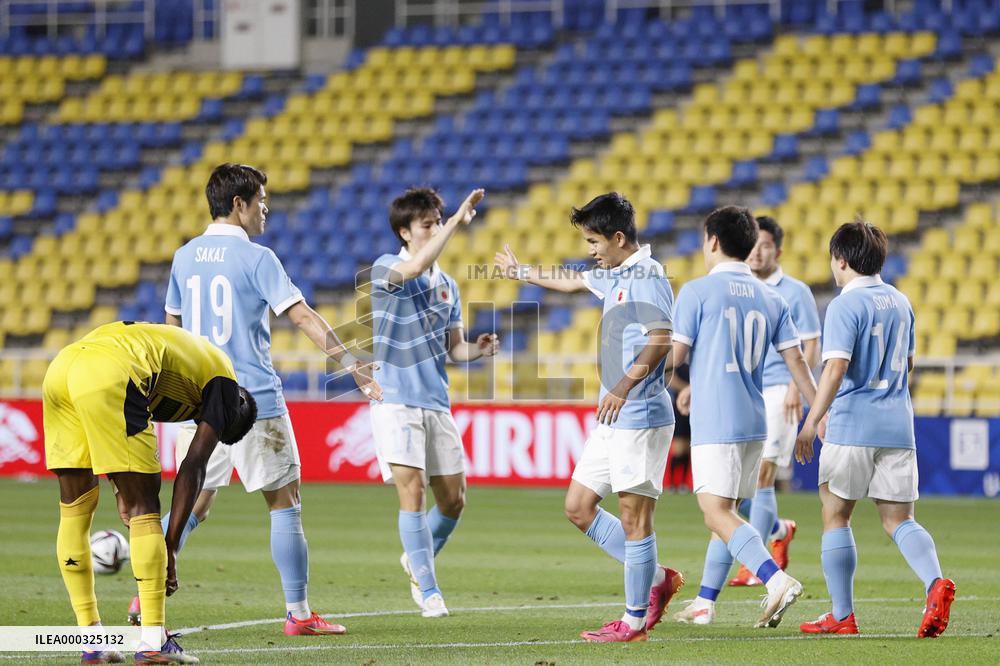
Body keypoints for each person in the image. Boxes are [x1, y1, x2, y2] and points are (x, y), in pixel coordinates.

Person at [141, 163, 380, 636]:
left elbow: (171, 328)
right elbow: (302, 316)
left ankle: (145, 590)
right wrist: (351, 363)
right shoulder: (257, 258)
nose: (265, 211)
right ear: (238, 205)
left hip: (195, 400)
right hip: (251, 400)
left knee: (196, 500)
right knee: (283, 500)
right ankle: (299, 614)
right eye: (261, 202)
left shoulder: (183, 256)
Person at [495, 192, 683, 643]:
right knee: (578, 507)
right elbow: (571, 281)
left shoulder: (649, 275)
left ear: (618, 237)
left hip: (639, 413)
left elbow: (661, 339)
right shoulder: (615, 272)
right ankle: (657, 578)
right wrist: (520, 272)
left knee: (636, 519)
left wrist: (621, 387)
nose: (590, 250)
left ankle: (634, 621)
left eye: (594, 241)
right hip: (613, 418)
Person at [43, 321, 257, 664]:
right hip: (111, 369)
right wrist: (169, 547)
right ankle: (153, 642)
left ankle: (93, 642)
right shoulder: (229, 389)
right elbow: (194, 465)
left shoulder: (187, 372)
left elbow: (110, 423)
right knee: (145, 508)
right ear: (238, 410)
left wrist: (118, 488)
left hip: (63, 368)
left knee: (75, 509)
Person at [794, 220, 955, 637]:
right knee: (899, 520)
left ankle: (842, 616)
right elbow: (910, 365)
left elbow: (836, 368)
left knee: (836, 516)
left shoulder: (845, 304)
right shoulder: (902, 302)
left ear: (841, 260)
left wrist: (812, 422)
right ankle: (935, 583)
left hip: (852, 424)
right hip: (899, 426)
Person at [669, 206, 817, 628]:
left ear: (712, 241)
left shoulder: (697, 292)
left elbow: (673, 360)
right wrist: (819, 414)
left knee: (715, 511)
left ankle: (774, 578)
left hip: (717, 419)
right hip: (755, 418)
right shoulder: (772, 297)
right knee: (729, 512)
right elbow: (798, 364)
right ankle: (705, 603)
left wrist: (634, 375)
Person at [369, 187, 496, 619]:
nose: (437, 228)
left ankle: (415, 557)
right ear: (405, 232)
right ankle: (429, 589)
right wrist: (459, 220)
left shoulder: (448, 286)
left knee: (454, 500)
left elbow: (453, 349)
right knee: (414, 491)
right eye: (428, 224)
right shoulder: (387, 268)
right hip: (396, 400)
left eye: (438, 221)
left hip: (435, 400)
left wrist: (476, 349)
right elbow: (418, 264)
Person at [728, 216, 821, 586]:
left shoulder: (795, 291)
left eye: (765, 245)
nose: (757, 251)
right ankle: (778, 530)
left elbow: (810, 342)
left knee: (764, 477)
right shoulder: (739, 287)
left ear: (777, 250)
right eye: (754, 244)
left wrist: (797, 389)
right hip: (745, 389)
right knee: (737, 483)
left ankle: (756, 560)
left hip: (780, 390)